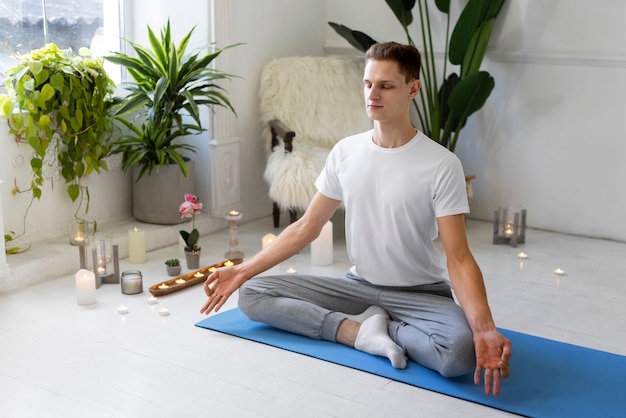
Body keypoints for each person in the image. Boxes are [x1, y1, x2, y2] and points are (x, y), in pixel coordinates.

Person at [200, 41, 512, 396]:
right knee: (253, 294)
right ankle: (356, 331)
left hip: (421, 294)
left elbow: (458, 257)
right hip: (357, 287)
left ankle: (385, 327)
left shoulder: (441, 165)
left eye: (386, 85)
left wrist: (484, 328)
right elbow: (307, 226)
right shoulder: (346, 152)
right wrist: (241, 271)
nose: (373, 94)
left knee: (458, 355)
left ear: (413, 88)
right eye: (368, 84)